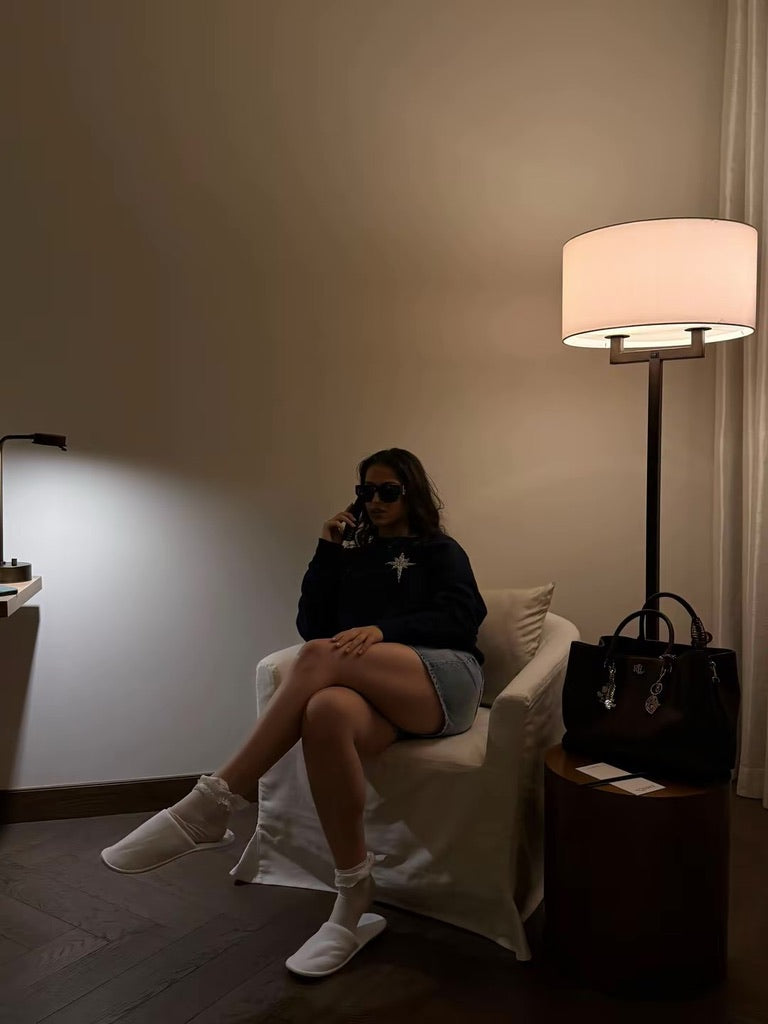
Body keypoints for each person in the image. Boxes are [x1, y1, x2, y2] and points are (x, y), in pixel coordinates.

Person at [100, 447, 487, 977]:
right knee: (325, 711)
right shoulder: (354, 553)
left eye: (388, 491)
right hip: (375, 695)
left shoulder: (439, 550)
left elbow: (463, 618)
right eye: (366, 491)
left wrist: (384, 631)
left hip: (443, 679)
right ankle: (353, 896)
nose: (375, 501)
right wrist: (327, 553)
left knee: (318, 658)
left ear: (411, 493)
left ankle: (213, 803)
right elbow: (314, 626)